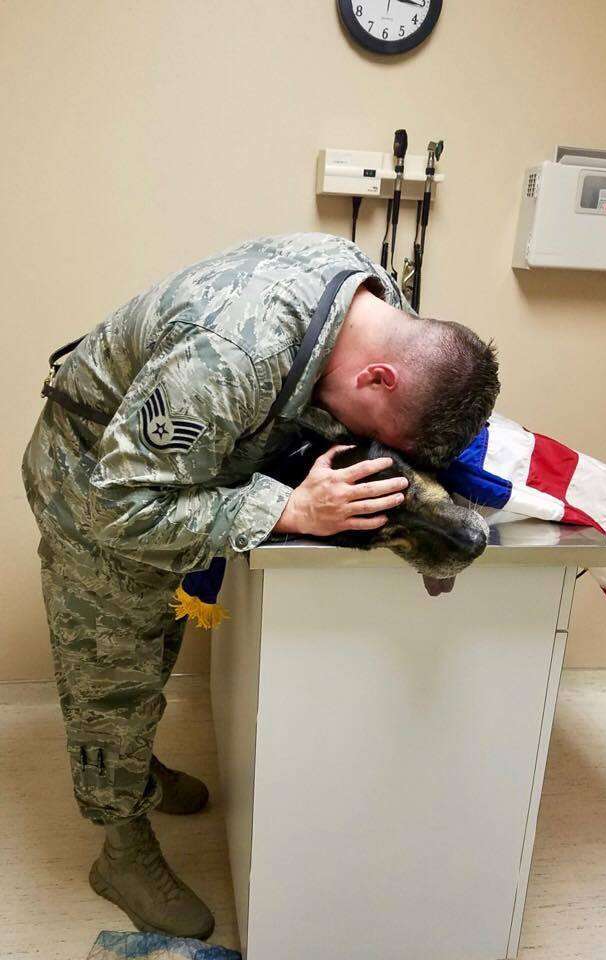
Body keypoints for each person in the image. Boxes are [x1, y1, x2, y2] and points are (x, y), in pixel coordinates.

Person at [22, 232, 499, 939]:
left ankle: (134, 765)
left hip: (180, 471)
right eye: (374, 426)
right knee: (109, 671)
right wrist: (289, 508)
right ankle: (119, 848)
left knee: (152, 643)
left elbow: (364, 430)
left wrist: (428, 531)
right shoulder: (228, 358)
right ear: (378, 378)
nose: (360, 436)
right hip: (94, 489)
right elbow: (116, 505)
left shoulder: (378, 302)